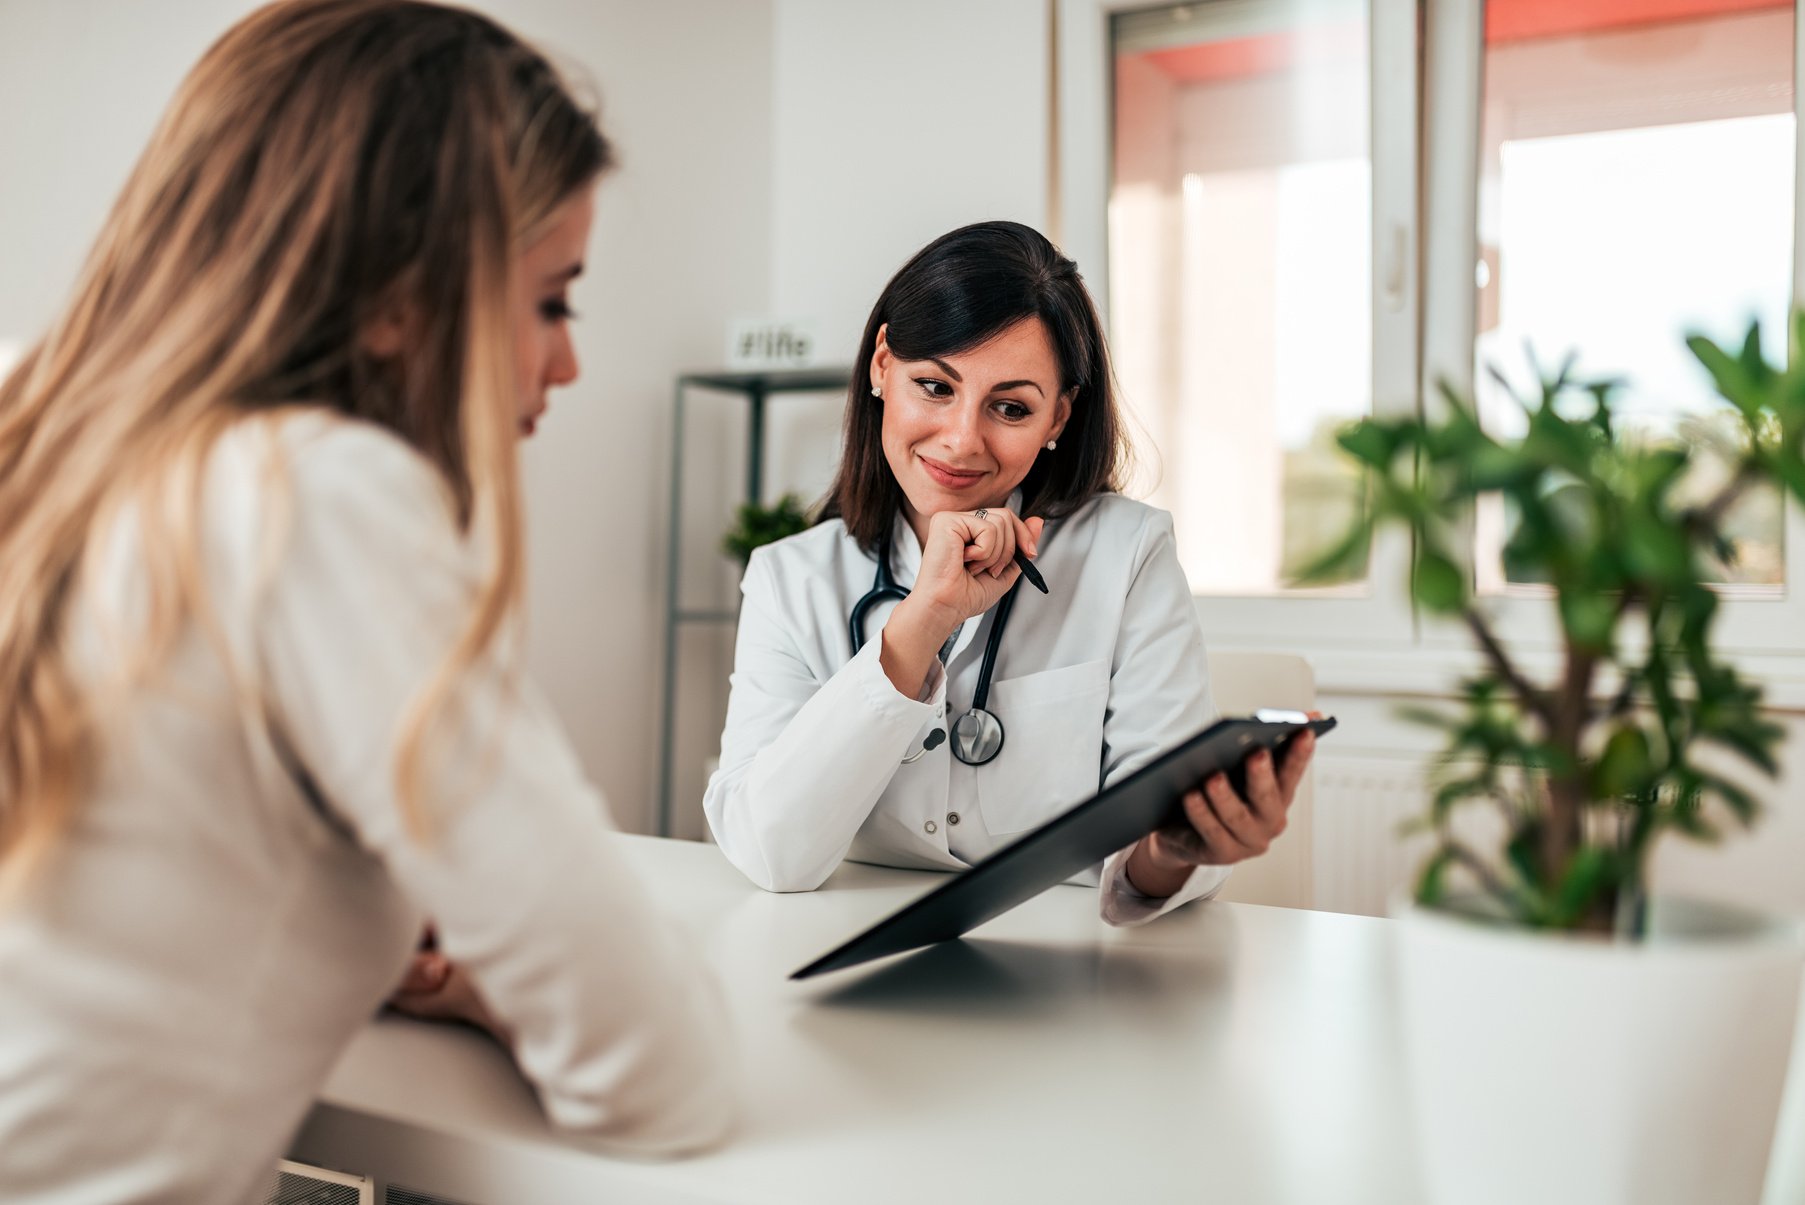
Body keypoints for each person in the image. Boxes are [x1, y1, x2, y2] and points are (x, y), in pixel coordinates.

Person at [0, 3, 732, 1201]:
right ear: (400, 296)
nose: (568, 362)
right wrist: (506, 986)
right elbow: (657, 1069)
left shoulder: (35, 428)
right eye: (553, 299)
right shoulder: (314, 493)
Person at [703, 221, 1316, 923]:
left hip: (1072, 969)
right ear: (880, 366)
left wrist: (1176, 849)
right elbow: (770, 853)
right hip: (841, 947)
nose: (962, 439)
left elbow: (1146, 843)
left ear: (1059, 415)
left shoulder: (1127, 552)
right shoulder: (790, 579)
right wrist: (920, 622)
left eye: (1010, 407)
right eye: (933, 386)